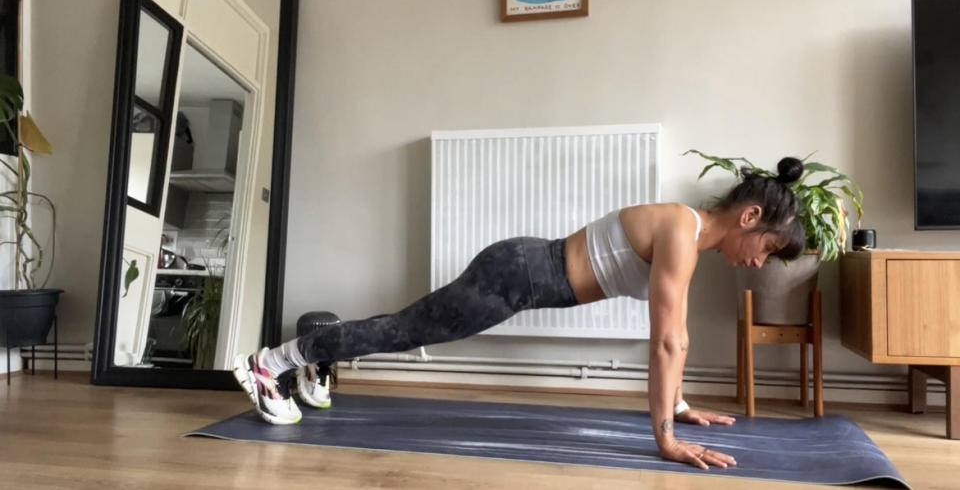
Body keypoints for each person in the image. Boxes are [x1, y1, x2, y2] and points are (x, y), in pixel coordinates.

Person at [233, 157, 806, 470]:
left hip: (520, 268)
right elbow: (666, 344)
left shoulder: (687, 237)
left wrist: (679, 406)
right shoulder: (682, 231)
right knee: (406, 330)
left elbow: (673, 335)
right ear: (750, 216)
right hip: (516, 275)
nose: (758, 264)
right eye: (769, 250)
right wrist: (665, 441)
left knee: (405, 325)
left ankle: (309, 359)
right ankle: (278, 360)